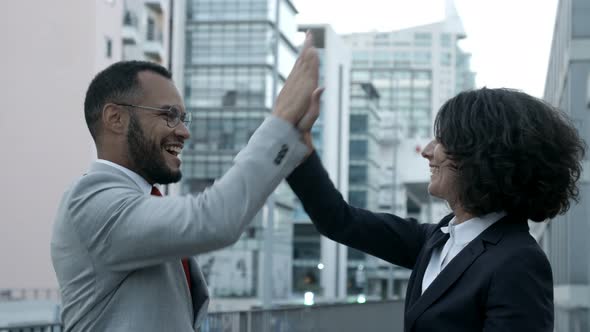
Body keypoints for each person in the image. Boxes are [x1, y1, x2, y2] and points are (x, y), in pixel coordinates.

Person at [51, 33, 323, 331]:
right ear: (116, 118)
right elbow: (214, 218)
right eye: (169, 115)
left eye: (183, 118)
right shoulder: (90, 200)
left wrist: (291, 134)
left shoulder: (137, 200)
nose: (184, 132)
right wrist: (281, 121)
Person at [287, 88, 586, 331]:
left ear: (481, 155)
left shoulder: (519, 262)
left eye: (442, 141)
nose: (427, 151)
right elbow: (339, 220)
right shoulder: (438, 239)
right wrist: (298, 144)